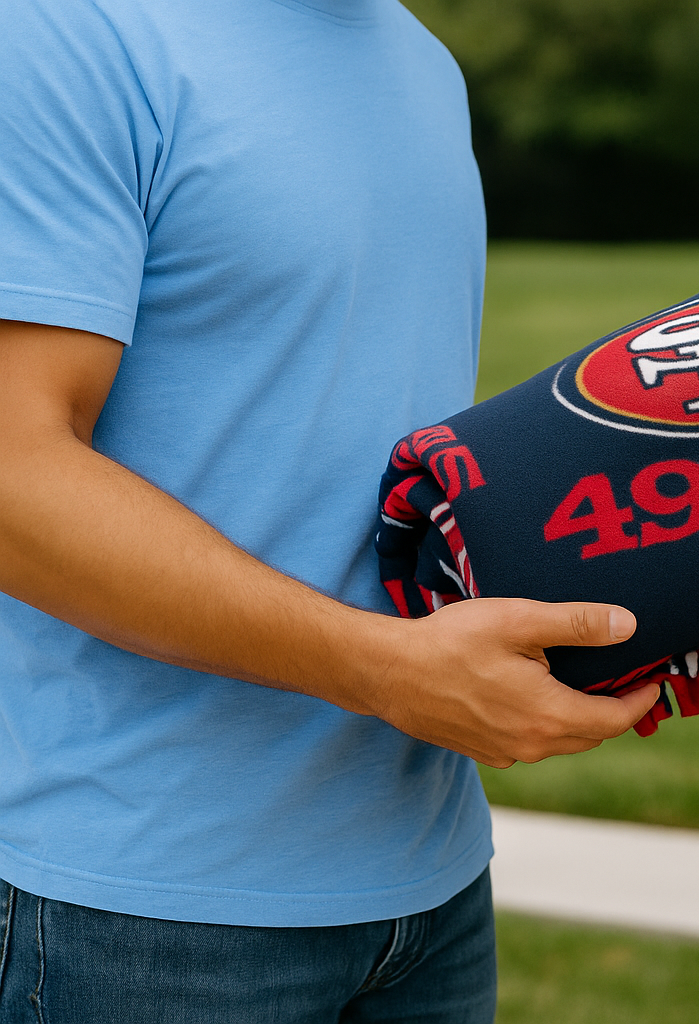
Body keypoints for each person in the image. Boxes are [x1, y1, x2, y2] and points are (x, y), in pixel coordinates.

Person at [0, 0, 657, 1019]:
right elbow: (13, 478)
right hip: (144, 912)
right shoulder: (63, 30)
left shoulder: (423, 64)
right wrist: (382, 669)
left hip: (428, 884)